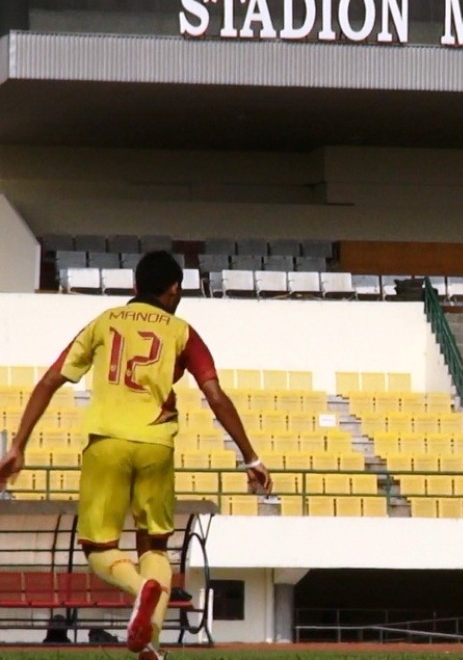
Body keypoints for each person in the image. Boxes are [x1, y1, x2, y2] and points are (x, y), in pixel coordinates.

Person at [0, 251, 272, 660]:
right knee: (156, 548)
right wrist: (251, 458)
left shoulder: (104, 321)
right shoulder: (183, 331)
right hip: (156, 445)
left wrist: (18, 445)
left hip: (106, 443)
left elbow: (51, 380)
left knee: (98, 548)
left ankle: (136, 587)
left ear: (134, 288)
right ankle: (149, 641)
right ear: (175, 290)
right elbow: (215, 394)